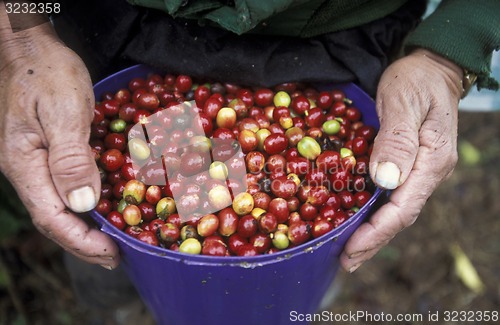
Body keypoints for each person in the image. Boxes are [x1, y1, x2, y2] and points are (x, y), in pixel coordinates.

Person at [0, 0, 498, 321]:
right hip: (109, 27)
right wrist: (24, 28)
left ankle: (297, 304)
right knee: (101, 245)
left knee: (304, 271)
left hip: (343, 40)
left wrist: (447, 51)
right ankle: (125, 305)